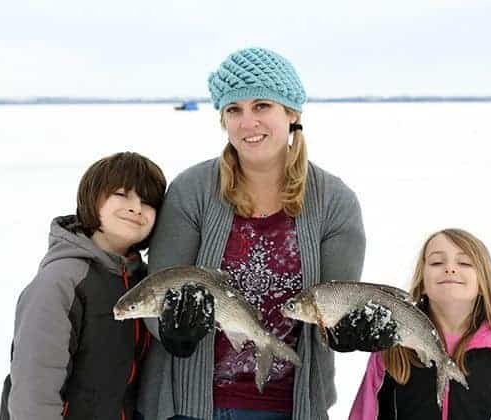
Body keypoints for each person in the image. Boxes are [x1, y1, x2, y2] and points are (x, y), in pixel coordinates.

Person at [137, 47, 397, 420]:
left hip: (291, 407)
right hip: (188, 406)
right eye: (234, 110)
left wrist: (351, 330)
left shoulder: (335, 202)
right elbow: (156, 290)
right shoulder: (191, 190)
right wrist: (170, 327)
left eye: (262, 106)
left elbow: (336, 305)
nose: (247, 122)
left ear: (291, 112)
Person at [0, 152, 167, 420]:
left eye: (147, 201)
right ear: (93, 198)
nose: (136, 207)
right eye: (122, 194)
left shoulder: (145, 283)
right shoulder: (61, 281)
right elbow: (34, 392)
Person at [349, 228, 491, 420]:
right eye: (437, 262)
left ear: (483, 284)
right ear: (422, 282)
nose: (450, 268)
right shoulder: (394, 343)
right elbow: (365, 413)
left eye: (464, 262)